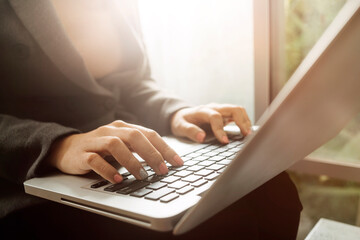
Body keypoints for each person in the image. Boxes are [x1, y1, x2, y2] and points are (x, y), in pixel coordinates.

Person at [0, 0, 302, 239]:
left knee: (272, 191)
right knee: (217, 225)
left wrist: (174, 113)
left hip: (128, 157)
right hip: (28, 175)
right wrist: (58, 145)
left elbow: (131, 82)